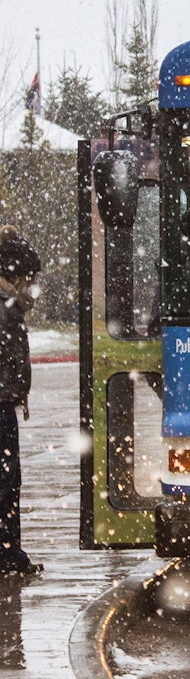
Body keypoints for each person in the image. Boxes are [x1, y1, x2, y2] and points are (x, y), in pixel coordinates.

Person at [0, 225, 43, 575]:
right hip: (1, 406)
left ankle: (9, 553)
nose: (33, 288)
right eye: (29, 279)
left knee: (8, 480)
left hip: (5, 403)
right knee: (6, 481)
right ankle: (7, 554)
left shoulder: (8, 306)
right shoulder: (5, 309)